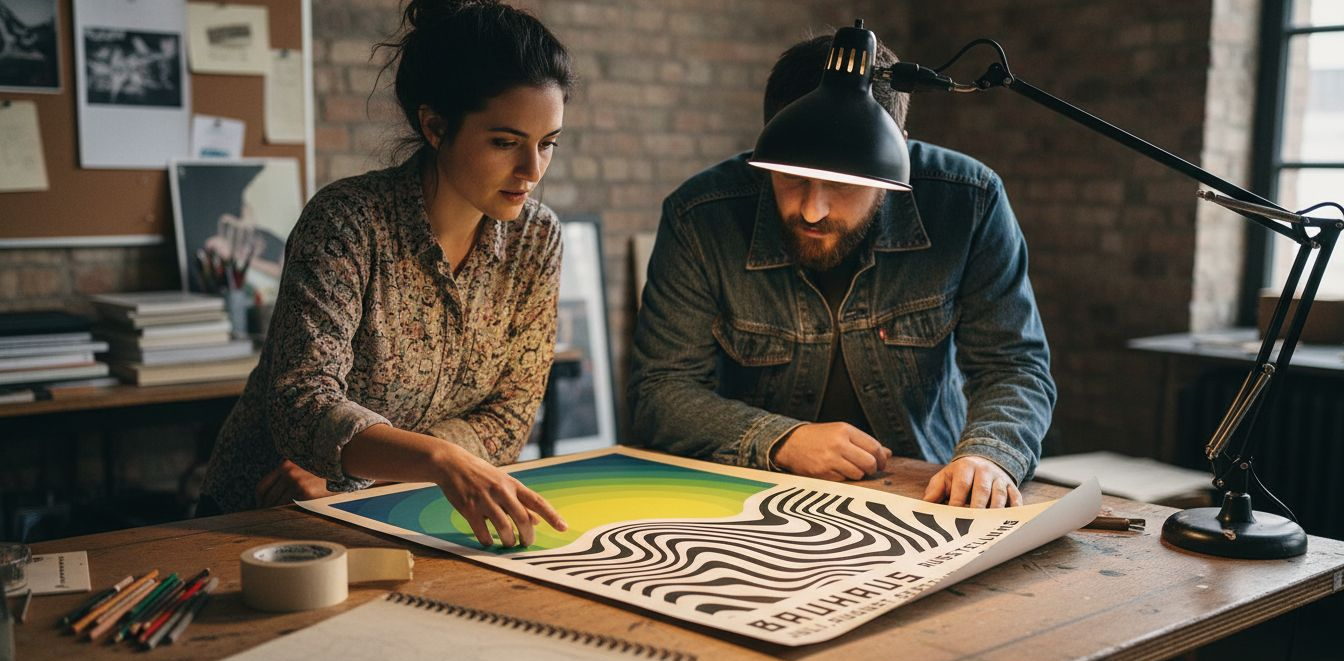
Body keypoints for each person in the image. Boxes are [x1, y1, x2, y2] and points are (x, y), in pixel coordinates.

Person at [630, 33, 1055, 513]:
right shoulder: (700, 215)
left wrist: (989, 455)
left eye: (842, 184)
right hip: (752, 495)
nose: (813, 210)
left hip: (926, 490)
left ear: (896, 153)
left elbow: (1012, 366)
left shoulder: (969, 201)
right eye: (792, 177)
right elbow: (659, 391)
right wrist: (781, 440)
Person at [200, 0, 572, 549]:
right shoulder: (348, 222)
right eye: (505, 142)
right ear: (435, 126)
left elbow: (510, 416)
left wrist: (366, 475)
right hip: (264, 515)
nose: (532, 170)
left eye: (547, 144)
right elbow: (303, 402)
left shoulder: (536, 240)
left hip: (397, 512)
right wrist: (438, 460)